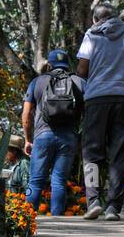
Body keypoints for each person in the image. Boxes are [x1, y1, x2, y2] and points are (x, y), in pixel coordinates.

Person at [76, 2, 124, 220]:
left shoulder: (91, 35)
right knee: (120, 154)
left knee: (91, 153)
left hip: (97, 99)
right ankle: (113, 208)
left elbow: (81, 69)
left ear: (96, 19)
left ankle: (93, 201)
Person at [21, 49, 85, 217]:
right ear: (67, 64)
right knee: (59, 182)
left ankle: (25, 221)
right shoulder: (79, 82)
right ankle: (57, 223)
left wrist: (28, 139)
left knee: (34, 182)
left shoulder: (37, 82)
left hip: (42, 137)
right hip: (68, 138)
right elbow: (91, 113)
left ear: (49, 65)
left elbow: (27, 114)